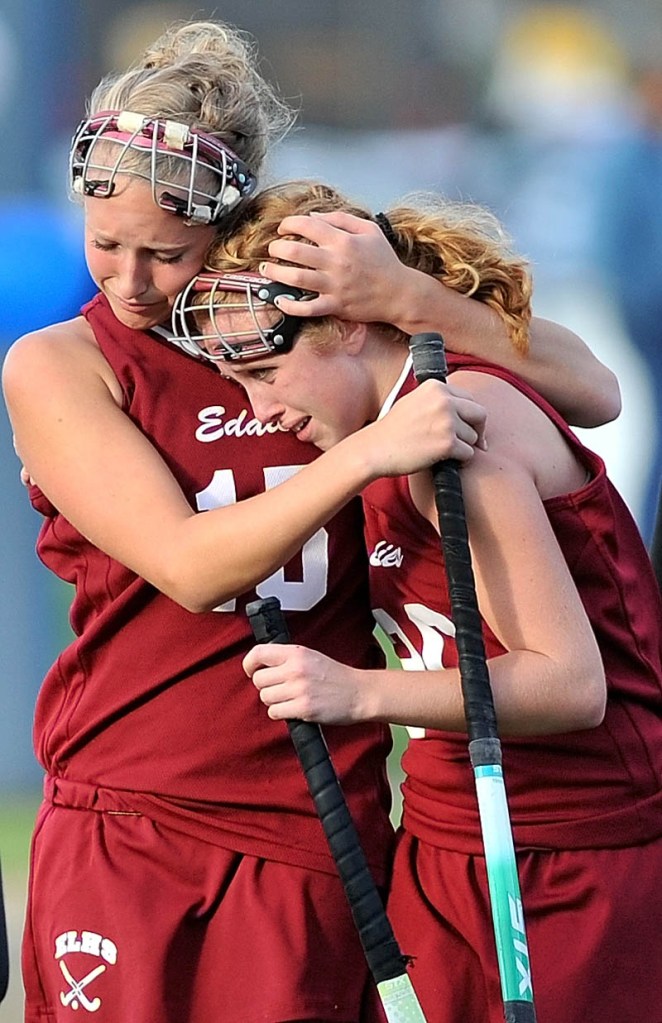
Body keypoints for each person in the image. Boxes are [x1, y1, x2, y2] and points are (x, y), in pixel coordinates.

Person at [2, 18, 621, 1023]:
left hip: (315, 815)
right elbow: (192, 569)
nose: (127, 282)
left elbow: (588, 390)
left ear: (225, 224)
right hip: (131, 806)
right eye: (103, 242)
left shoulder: (295, 316)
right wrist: (369, 452)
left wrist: (411, 297)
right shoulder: (62, 363)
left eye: (164, 253)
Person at [180, 179, 662, 1023]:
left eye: (265, 371)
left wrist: (358, 692)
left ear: (347, 323)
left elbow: (568, 686)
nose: (260, 410)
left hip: (576, 847)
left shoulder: (456, 427)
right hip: (450, 831)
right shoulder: (379, 431)